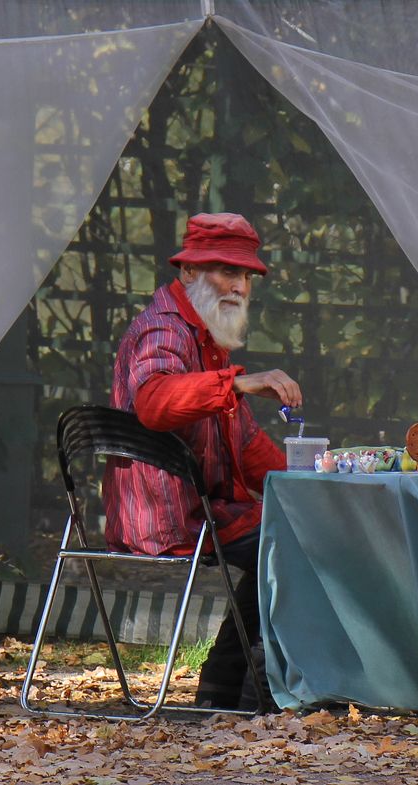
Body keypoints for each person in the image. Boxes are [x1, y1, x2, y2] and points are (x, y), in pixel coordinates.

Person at [102, 212, 302, 710]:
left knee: (299, 527)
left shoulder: (206, 339)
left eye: (245, 276)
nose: (238, 285)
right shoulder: (164, 330)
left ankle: (223, 684)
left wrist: (311, 482)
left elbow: (248, 443)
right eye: (225, 271)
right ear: (188, 273)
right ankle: (250, 682)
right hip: (169, 518)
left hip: (207, 511)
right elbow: (153, 400)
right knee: (293, 541)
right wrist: (235, 383)